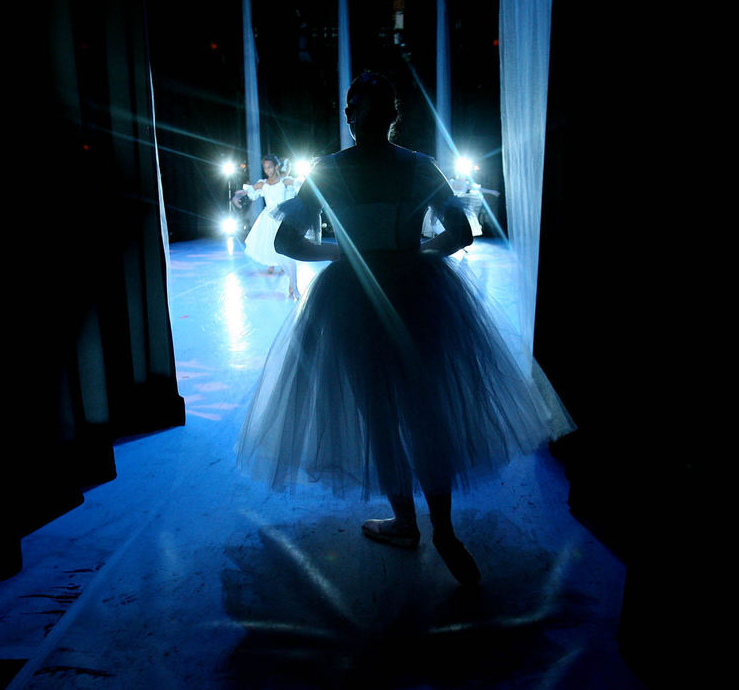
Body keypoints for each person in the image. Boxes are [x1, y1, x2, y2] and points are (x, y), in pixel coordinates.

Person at [235, 72, 555, 586]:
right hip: (416, 291)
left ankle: (408, 523)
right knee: (423, 411)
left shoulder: (331, 171)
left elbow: (288, 243)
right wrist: (414, 254)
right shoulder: (418, 167)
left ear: (352, 115)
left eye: (356, 108)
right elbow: (458, 231)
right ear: (391, 115)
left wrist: (350, 254)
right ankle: (440, 530)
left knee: (381, 414)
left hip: (356, 296)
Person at [234, 154, 302, 299]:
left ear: (276, 166)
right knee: (279, 254)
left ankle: (294, 286)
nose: (267, 170)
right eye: (265, 168)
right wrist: (237, 196)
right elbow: (247, 191)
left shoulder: (285, 181)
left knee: (288, 254)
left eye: (270, 167)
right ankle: (292, 285)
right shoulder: (263, 184)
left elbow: (301, 184)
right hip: (268, 222)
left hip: (284, 219)